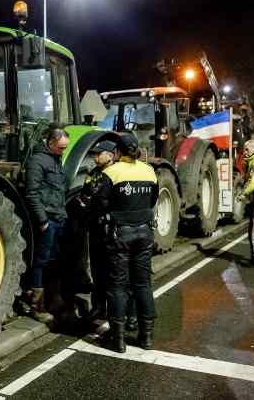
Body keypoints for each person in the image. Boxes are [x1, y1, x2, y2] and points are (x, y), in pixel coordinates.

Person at [93, 132, 158, 353]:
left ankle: (118, 339)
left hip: (120, 235)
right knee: (142, 284)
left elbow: (100, 204)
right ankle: (146, 337)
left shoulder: (112, 172)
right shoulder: (149, 171)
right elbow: (153, 200)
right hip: (144, 233)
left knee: (118, 286)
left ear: (117, 152)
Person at [24, 127, 70, 324]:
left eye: (64, 148)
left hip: (58, 217)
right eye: (61, 148)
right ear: (51, 143)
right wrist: (42, 221)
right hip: (48, 220)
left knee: (54, 260)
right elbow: (32, 193)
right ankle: (37, 306)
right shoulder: (37, 161)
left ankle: (53, 300)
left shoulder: (55, 159)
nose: (63, 152)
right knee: (41, 262)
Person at [76, 139, 118, 333]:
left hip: (111, 231)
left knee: (112, 273)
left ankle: (115, 312)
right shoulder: (93, 174)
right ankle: (99, 307)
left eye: (99, 153)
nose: (95, 156)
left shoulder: (117, 174)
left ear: (110, 155)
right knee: (97, 269)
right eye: (94, 153)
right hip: (94, 228)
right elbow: (86, 193)